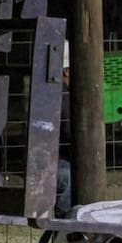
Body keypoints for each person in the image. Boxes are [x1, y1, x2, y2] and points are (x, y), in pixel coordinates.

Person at [55, 41, 72, 216]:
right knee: (73, 179)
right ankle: (65, 225)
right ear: (66, 71)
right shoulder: (64, 95)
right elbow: (68, 133)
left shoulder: (50, 91)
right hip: (59, 164)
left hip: (47, 161)